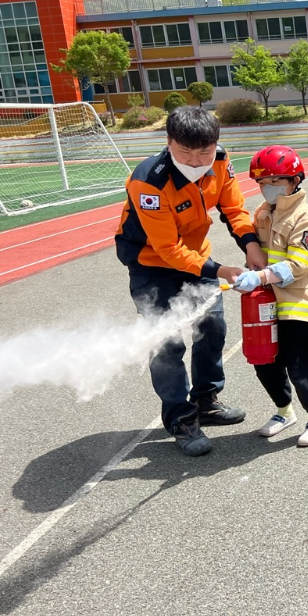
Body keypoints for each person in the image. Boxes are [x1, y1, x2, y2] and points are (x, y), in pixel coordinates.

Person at [115, 107, 266, 456]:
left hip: (198, 257)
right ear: (169, 143)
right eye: (186, 152)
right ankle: (180, 417)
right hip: (151, 265)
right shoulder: (149, 182)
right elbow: (167, 248)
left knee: (213, 328)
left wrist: (251, 244)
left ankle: (206, 401)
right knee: (167, 344)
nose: (197, 162)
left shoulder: (220, 161)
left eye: (205, 152)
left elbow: (233, 209)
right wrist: (219, 270)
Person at [233, 146, 308, 447]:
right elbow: (252, 244)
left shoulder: (305, 219)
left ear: (294, 181)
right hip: (266, 301)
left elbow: (299, 266)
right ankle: (284, 411)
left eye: (275, 180)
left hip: (297, 302)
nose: (267, 188)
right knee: (264, 361)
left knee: (300, 364)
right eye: (262, 182)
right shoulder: (263, 213)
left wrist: (259, 277)